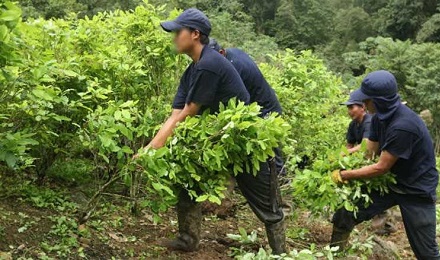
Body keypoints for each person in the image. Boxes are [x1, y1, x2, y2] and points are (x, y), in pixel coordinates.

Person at [142, 8, 286, 254]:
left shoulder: (212, 64)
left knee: (267, 206)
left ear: (195, 35)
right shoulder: (193, 71)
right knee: (187, 178)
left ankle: (281, 254)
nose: (174, 37)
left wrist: (151, 149)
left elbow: (188, 113)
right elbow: (176, 113)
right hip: (220, 136)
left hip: (247, 139)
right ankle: (187, 239)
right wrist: (153, 148)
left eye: (179, 32)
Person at [330, 70, 440, 259]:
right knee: (344, 215)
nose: (363, 104)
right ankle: (335, 255)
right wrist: (342, 162)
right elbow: (369, 152)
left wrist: (345, 175)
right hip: (390, 183)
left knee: (426, 252)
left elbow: (381, 166)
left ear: (378, 101)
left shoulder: (403, 125)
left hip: (416, 190)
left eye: (367, 100)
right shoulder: (378, 118)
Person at [208, 39, 286, 175]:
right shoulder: (231, 53)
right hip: (259, 103)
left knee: (271, 153)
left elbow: (236, 101)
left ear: (221, 53)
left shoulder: (234, 68)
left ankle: (278, 181)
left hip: (265, 109)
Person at [341, 90, 372, 154]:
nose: (349, 111)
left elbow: (365, 145)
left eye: (351, 108)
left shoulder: (369, 122)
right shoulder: (353, 124)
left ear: (363, 107)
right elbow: (349, 145)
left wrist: (345, 153)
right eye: (348, 108)